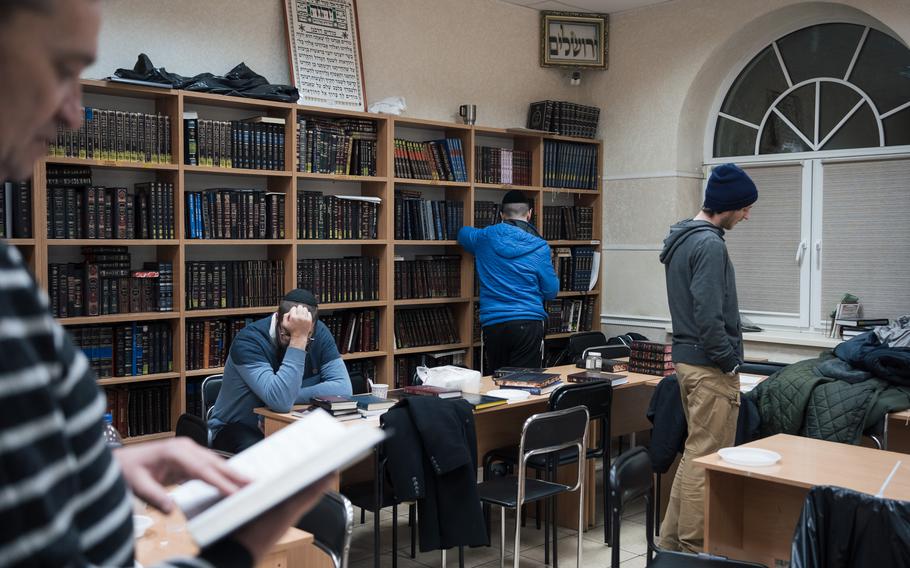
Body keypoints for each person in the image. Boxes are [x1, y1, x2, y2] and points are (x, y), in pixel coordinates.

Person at [0, 1, 331, 566]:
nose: (75, 114)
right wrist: (238, 549)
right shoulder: (257, 337)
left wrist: (92, 472)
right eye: (61, 68)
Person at [657, 163, 758, 553]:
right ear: (728, 205)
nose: (748, 214)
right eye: (745, 207)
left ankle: (671, 547)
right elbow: (708, 314)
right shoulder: (710, 244)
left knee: (695, 455)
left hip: (688, 360)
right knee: (707, 460)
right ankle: (696, 550)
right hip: (709, 365)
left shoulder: (683, 238)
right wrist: (730, 361)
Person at [209, 289, 353, 453]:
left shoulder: (318, 332)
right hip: (236, 429)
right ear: (277, 318)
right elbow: (281, 402)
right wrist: (299, 339)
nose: (295, 339)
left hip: (289, 426)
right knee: (272, 455)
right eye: (287, 334)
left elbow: (343, 389)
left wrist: (281, 396)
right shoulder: (249, 341)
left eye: (306, 336)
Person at [457, 190, 559, 373]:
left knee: (497, 383)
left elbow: (463, 233)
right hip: (528, 322)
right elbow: (551, 291)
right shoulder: (539, 247)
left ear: (501, 214)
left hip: (493, 324)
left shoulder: (484, 237)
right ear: (529, 214)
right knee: (526, 385)